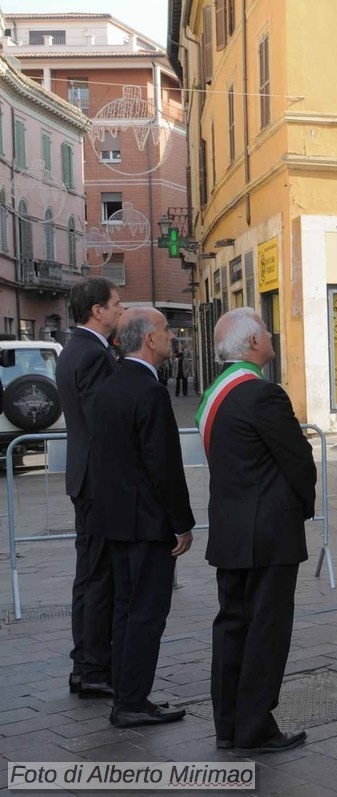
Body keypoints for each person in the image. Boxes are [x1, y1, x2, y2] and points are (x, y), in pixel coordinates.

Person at [199, 308, 315, 754]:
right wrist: (304, 506)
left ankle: (228, 726)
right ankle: (255, 728)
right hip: (268, 535)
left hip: (230, 533)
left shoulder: (216, 394)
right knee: (265, 631)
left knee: (232, 629)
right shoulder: (262, 394)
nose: (271, 335)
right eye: (265, 331)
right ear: (251, 344)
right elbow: (298, 460)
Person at [88, 307, 195, 728]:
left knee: (126, 609)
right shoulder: (149, 391)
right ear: (149, 340)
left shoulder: (110, 386)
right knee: (147, 612)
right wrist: (181, 522)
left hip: (116, 520)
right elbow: (163, 464)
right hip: (147, 523)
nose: (171, 336)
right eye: (166, 330)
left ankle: (127, 693)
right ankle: (132, 701)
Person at [57, 277, 123, 698]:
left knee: (89, 575)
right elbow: (107, 422)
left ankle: (86, 663)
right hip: (99, 479)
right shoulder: (94, 355)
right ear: (97, 311)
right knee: (99, 577)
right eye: (116, 304)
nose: (121, 309)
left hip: (85, 476)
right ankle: (94, 667)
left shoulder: (73, 350)